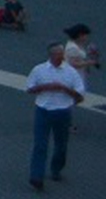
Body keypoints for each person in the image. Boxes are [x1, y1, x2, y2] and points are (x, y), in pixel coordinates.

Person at [26, 39, 87, 190]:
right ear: (51, 55)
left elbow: (79, 95)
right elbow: (29, 88)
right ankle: (36, 176)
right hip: (43, 110)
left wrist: (64, 89)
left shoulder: (70, 72)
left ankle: (56, 168)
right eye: (58, 54)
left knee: (61, 144)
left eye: (62, 54)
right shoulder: (39, 70)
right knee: (40, 145)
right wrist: (46, 86)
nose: (61, 57)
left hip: (62, 111)